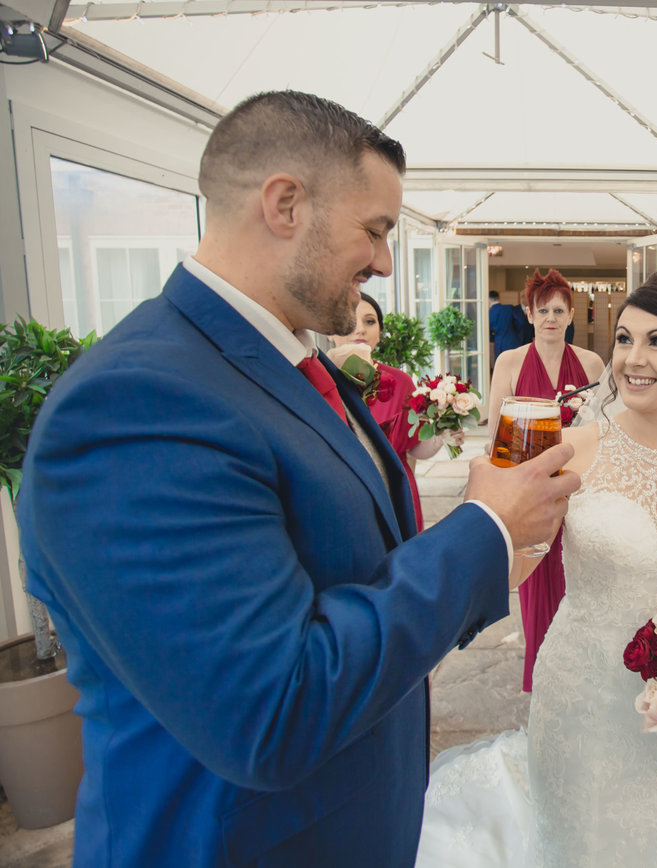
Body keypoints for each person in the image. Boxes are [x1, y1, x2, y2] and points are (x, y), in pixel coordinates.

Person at [15, 90, 579, 868]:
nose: (385, 260)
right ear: (285, 205)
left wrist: (495, 552)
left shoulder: (291, 365)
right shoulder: (134, 405)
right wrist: (481, 531)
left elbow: (356, 571)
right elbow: (270, 710)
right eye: (376, 230)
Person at [417, 268, 657, 866]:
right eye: (623, 338)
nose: (632, 359)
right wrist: (483, 534)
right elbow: (515, 565)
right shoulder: (570, 448)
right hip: (582, 700)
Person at [488, 268, 605, 691]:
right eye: (543, 310)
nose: (551, 317)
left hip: (580, 491)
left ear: (571, 314)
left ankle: (579, 681)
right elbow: (494, 435)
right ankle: (544, 686)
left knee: (581, 587)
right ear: (529, 313)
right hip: (532, 493)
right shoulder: (510, 362)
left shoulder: (591, 363)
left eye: (559, 309)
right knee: (537, 589)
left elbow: (605, 429)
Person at [328, 291, 458, 531]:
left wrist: (442, 432)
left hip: (395, 490)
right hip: (340, 497)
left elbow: (414, 449)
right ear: (330, 331)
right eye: (350, 321)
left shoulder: (399, 381)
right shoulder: (317, 380)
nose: (360, 330)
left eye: (370, 321)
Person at [488, 289, 531, 361]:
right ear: (499, 298)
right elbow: (521, 322)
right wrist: (516, 334)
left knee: (501, 366)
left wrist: (495, 337)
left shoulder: (489, 313)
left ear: (489, 300)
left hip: (499, 345)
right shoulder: (509, 308)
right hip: (514, 342)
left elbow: (488, 332)